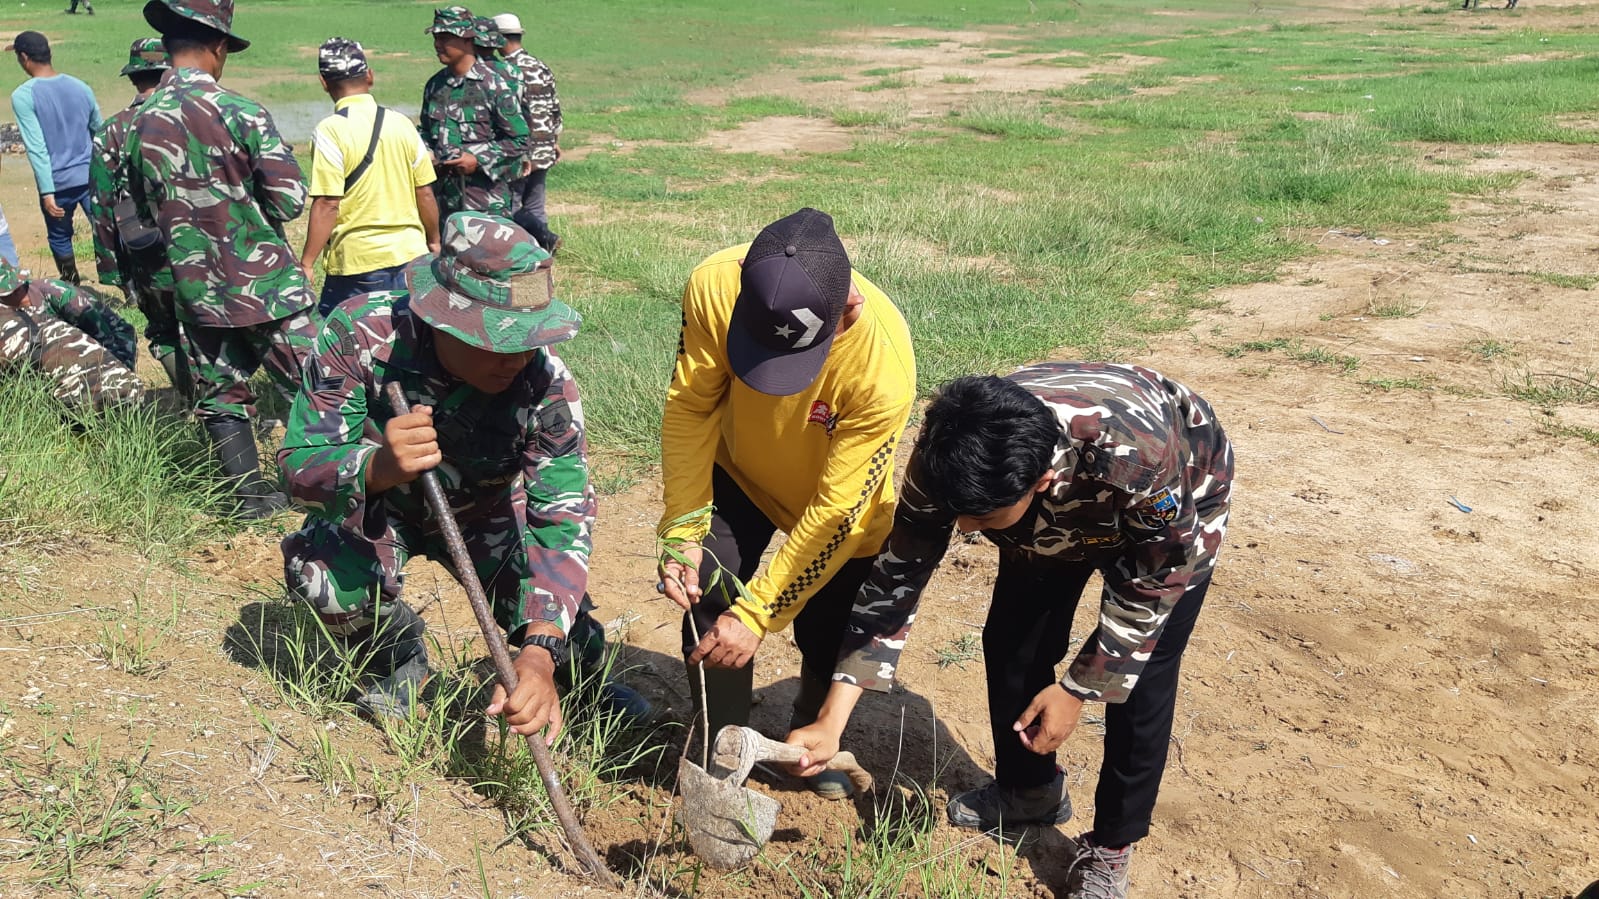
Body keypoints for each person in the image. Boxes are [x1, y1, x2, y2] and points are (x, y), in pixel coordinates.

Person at [785, 363, 1235, 899]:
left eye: (983, 517)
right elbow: (894, 582)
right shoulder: (947, 457)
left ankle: (1112, 848)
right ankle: (1030, 791)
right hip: (1039, 512)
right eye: (961, 514)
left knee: (1142, 676)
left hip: (1180, 492)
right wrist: (832, 721)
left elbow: (1156, 582)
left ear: (1041, 481)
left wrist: (1077, 690)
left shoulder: (1137, 456)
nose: (966, 531)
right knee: (1013, 642)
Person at [279, 212, 644, 727]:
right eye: (498, 340)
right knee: (321, 577)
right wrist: (376, 466)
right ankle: (398, 658)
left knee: (564, 632)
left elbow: (561, 518)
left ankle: (579, 683)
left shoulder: (547, 383)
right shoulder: (358, 333)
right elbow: (297, 467)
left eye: (527, 339)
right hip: (383, 510)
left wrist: (539, 653)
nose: (516, 358)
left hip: (488, 511)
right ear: (439, 319)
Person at [655, 207, 915, 799]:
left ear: (846, 306)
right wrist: (684, 526)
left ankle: (808, 741)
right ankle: (721, 746)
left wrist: (758, 614)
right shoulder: (715, 284)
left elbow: (834, 510)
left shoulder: (883, 368)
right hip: (740, 471)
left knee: (827, 635)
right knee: (709, 586)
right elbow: (692, 405)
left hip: (835, 512)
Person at [128, 0, 317, 519]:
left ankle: (247, 499)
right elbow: (289, 200)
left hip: (195, 287)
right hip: (266, 285)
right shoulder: (242, 112)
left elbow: (142, 209)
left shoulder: (138, 122)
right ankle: (344, 485)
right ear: (216, 46)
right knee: (320, 382)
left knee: (221, 393)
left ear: (168, 47)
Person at [301, 37, 440, 317]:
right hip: (411, 255)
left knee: (344, 342)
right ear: (369, 76)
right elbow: (424, 192)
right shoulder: (402, 123)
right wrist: (434, 240)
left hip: (358, 263)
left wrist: (306, 263)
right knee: (407, 339)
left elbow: (328, 202)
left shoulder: (330, 131)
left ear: (323, 82)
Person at [88, 38, 189, 397]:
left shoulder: (112, 132)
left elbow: (101, 206)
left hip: (146, 255)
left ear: (133, 79)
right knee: (211, 327)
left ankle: (196, 402)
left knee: (164, 332)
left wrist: (113, 271)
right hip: (206, 249)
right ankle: (227, 406)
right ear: (169, 73)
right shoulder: (191, 118)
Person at [7, 30, 101, 284]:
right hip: (91, 176)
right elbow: (99, 132)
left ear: (24, 58)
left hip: (58, 183)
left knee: (60, 237)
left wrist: (47, 191)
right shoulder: (81, 86)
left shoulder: (23, 96)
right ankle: (131, 289)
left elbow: (37, 147)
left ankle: (72, 287)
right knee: (106, 231)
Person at [419, 5, 530, 219]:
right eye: (435, 37)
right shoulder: (435, 85)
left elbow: (520, 140)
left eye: (445, 38)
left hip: (485, 203)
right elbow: (426, 131)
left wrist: (476, 159)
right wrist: (425, 151)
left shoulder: (494, 84)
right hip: (444, 200)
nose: (437, 44)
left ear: (468, 39)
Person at [0, 258, 143, 409]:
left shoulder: (60, 294)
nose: (19, 295)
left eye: (18, 290)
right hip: (67, 346)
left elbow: (101, 332)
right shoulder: (9, 315)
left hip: (112, 335)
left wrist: (118, 372)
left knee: (111, 379)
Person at [493, 12, 562, 254]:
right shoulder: (539, 65)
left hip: (521, 151)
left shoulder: (505, 71)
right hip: (544, 145)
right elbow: (555, 108)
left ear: (500, 39)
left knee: (509, 205)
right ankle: (542, 249)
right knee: (535, 203)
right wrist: (554, 141)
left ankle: (528, 246)